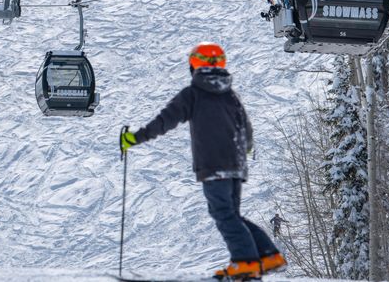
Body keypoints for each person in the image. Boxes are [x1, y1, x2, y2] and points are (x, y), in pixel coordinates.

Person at [119, 42, 286, 280]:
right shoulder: (230, 96)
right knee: (231, 215)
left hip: (214, 165)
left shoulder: (193, 94)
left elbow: (165, 121)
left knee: (224, 214)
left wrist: (135, 138)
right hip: (235, 165)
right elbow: (246, 128)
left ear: (194, 65)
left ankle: (245, 261)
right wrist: (245, 151)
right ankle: (268, 256)